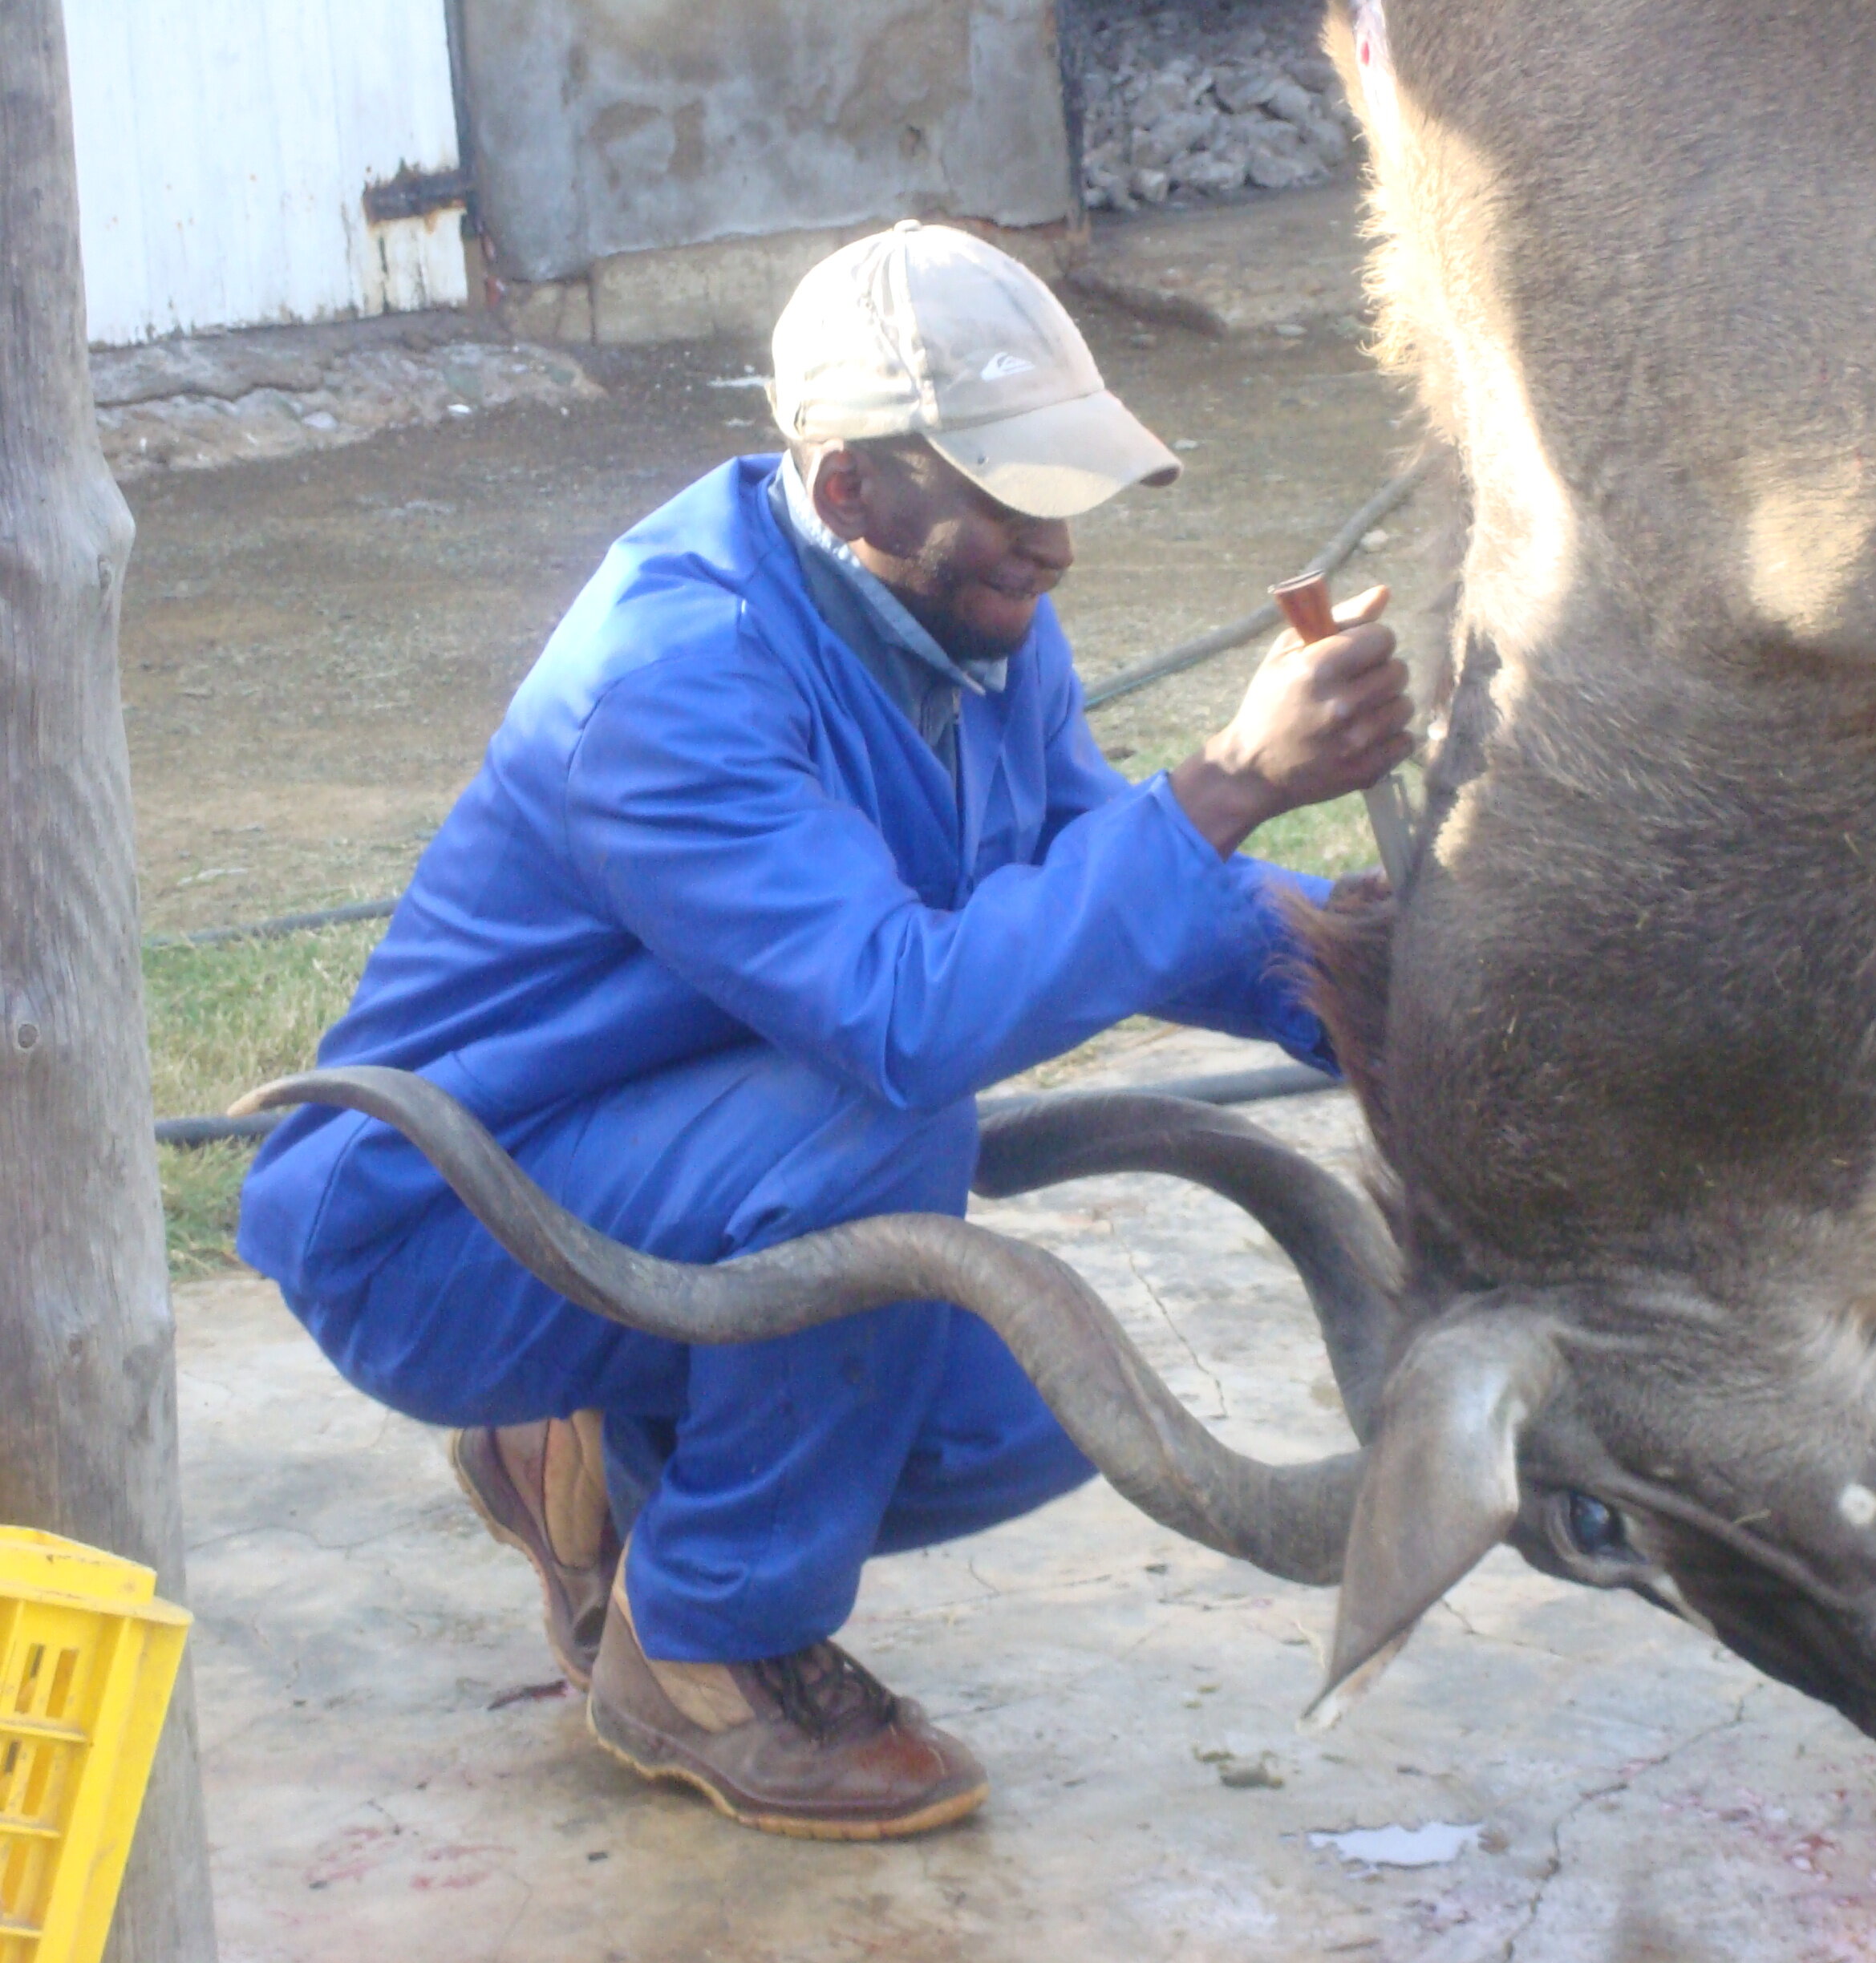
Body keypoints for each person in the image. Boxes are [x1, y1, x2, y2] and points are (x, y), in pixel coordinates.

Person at [234, 222, 1416, 1840]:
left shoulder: (968, 623)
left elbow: (1092, 865)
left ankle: (582, 1453)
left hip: (657, 1163)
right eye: (1009, 498)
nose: (1054, 547)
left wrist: (1355, 966)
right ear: (850, 487)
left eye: (1062, 497)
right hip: (438, 1219)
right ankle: (705, 1646)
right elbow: (903, 1021)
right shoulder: (671, 680)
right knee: (880, 1134)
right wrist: (1228, 778)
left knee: (1033, 1404)